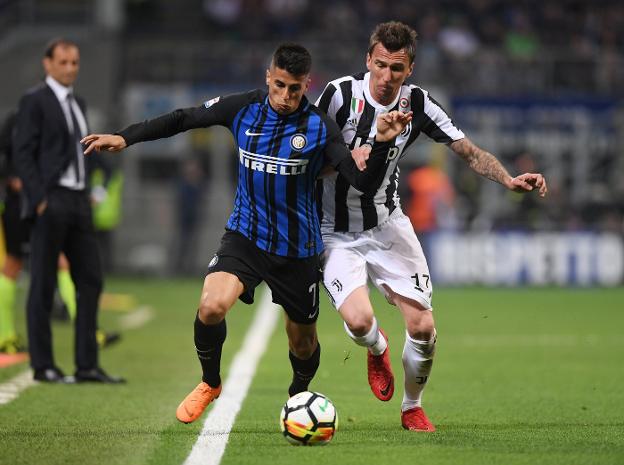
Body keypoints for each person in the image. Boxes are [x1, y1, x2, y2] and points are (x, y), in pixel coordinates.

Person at [81, 42, 412, 423]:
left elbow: (358, 180)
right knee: (211, 306)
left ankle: (297, 396)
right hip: (246, 236)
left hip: (298, 248)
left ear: (307, 85)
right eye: (280, 85)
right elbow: (184, 118)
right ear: (268, 77)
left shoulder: (320, 126)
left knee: (302, 343)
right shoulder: (243, 108)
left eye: (296, 88)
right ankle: (209, 382)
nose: (286, 96)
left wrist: (382, 145)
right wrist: (127, 137)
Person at [315, 21, 547, 431]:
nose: (387, 77)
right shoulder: (338, 95)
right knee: (359, 323)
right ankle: (377, 348)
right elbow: (310, 155)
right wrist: (356, 156)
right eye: (381, 65)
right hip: (333, 229)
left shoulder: (417, 104)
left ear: (410, 70)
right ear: (368, 59)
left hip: (387, 224)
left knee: (423, 327)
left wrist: (509, 179)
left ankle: (412, 407)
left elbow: (467, 151)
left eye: (397, 69)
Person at [12, 38, 124, 383]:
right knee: (43, 284)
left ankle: (86, 365)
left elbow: (79, 152)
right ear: (47, 64)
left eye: (74, 62)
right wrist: (39, 198)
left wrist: (91, 188)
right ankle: (43, 365)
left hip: (77, 201)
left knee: (90, 280)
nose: (70, 68)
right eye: (63, 62)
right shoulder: (34, 101)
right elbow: (23, 152)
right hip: (52, 199)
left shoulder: (78, 102)